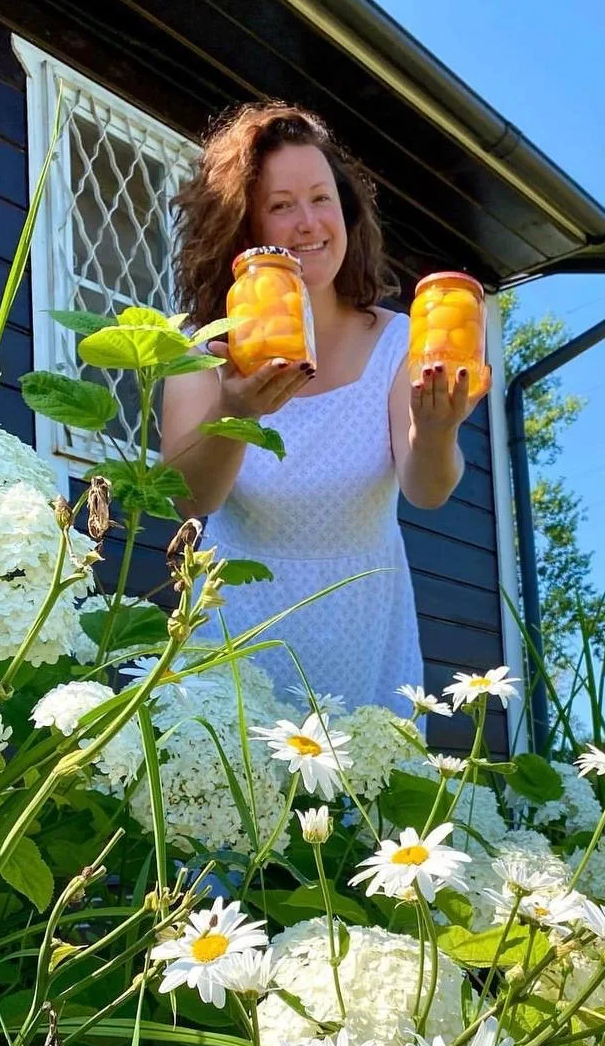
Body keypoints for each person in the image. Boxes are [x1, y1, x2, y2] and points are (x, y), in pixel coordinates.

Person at [161, 102, 486, 717]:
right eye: (281, 205)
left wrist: (437, 430)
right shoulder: (203, 349)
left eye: (321, 199)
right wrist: (235, 412)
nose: (308, 223)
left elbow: (426, 489)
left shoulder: (398, 341)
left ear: (346, 212)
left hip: (365, 634)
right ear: (245, 227)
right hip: (235, 629)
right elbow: (189, 499)